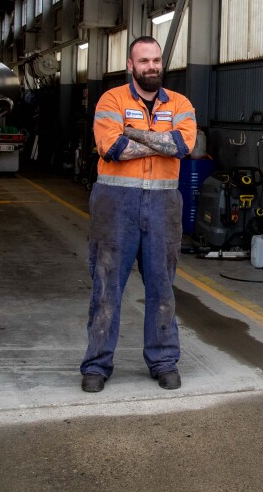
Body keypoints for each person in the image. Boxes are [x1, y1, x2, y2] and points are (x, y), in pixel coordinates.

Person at [80, 36, 197, 393]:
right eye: (144, 61)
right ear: (131, 65)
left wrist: (133, 133)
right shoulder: (111, 100)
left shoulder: (180, 103)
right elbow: (112, 147)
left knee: (162, 287)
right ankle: (97, 364)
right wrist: (157, 141)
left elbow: (183, 145)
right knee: (107, 286)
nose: (152, 66)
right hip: (116, 203)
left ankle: (163, 361)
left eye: (156, 60)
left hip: (164, 205)